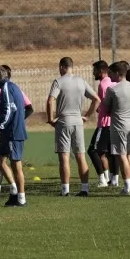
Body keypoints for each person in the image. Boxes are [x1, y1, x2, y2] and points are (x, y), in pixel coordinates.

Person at [47, 57, 100, 197]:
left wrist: (50, 119)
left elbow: (50, 101)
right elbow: (96, 99)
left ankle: (65, 190)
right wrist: (87, 116)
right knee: (80, 156)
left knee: (64, 157)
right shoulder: (81, 81)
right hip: (78, 121)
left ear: (62, 67)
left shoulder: (58, 81)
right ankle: (85, 189)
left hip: (64, 121)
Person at [0, 64, 34, 199]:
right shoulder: (13, 87)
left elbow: (8, 111)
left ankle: (21, 198)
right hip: (8, 133)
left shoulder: (6, 88)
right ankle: (14, 189)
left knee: (16, 165)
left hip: (12, 132)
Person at [101, 62, 130, 196]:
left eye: (111, 73)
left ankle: (127, 186)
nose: (110, 76)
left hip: (119, 125)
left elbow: (106, 109)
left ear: (117, 73)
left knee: (122, 155)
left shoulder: (113, 90)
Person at [88, 61, 120, 188]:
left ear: (101, 71)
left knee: (92, 150)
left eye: (95, 70)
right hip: (115, 123)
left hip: (105, 123)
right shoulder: (114, 82)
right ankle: (113, 179)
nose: (93, 73)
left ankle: (102, 180)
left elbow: (106, 104)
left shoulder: (103, 84)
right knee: (112, 152)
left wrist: (100, 109)